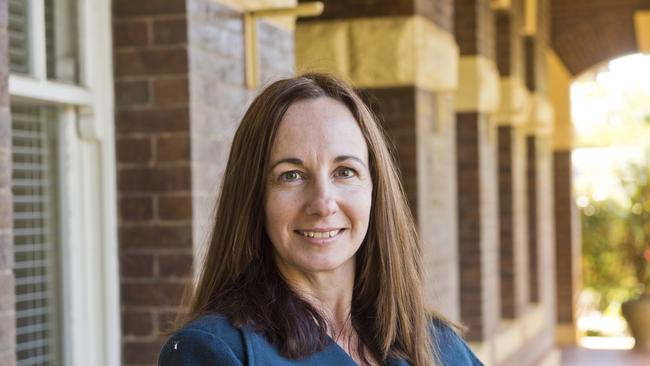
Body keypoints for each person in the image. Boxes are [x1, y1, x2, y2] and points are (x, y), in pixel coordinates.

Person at [158, 73, 484, 366]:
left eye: (345, 172)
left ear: (375, 190)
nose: (323, 203)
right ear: (254, 197)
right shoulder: (216, 352)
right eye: (292, 175)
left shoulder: (435, 344)